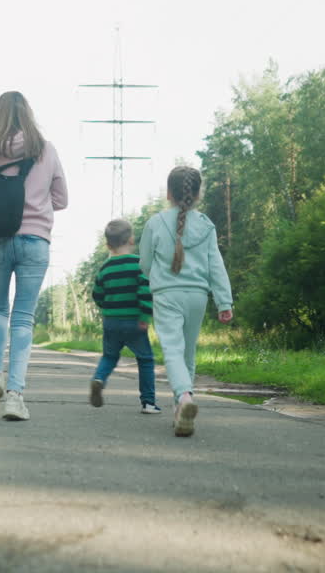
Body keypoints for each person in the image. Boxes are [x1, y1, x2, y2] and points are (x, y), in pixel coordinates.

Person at [0, 91, 68, 422]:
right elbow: (62, 200)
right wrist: (36, 200)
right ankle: (14, 397)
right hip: (35, 241)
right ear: (29, 114)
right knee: (23, 318)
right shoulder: (45, 149)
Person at [139, 165, 233, 437]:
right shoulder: (205, 225)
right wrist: (224, 301)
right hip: (197, 297)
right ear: (198, 193)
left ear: (168, 192)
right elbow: (216, 264)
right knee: (187, 352)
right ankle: (181, 412)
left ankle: (184, 398)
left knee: (172, 350)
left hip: (167, 294)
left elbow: (144, 264)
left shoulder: (155, 223)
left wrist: (154, 275)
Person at [88, 219, 160, 414]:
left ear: (107, 245)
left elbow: (97, 295)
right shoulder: (138, 264)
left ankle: (99, 379)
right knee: (145, 359)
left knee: (110, 356)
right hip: (134, 321)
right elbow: (145, 291)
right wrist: (145, 316)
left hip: (111, 322)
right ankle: (148, 402)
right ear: (131, 240)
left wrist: (108, 308)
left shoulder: (105, 268)